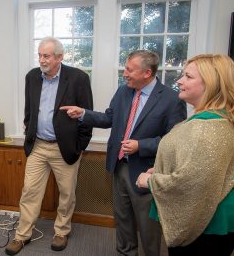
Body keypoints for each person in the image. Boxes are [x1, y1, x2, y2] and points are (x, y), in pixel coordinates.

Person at [61, 50, 187, 256]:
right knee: (123, 218)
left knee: (148, 224)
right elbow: (109, 118)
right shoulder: (123, 92)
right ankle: (126, 252)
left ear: (147, 73)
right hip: (119, 166)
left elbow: (175, 140)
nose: (125, 73)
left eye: (129, 69)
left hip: (147, 171)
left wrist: (141, 145)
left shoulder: (172, 99)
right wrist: (83, 113)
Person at [136, 54, 234, 256]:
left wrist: (150, 181)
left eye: (188, 77)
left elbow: (193, 182)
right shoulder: (222, 119)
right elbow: (204, 165)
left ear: (210, 84)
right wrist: (164, 168)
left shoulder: (205, 128)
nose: (180, 81)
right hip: (222, 210)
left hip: (207, 218)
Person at [5, 37, 93, 255]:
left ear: (60, 57)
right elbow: (29, 109)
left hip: (65, 148)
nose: (41, 60)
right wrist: (29, 127)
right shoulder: (32, 77)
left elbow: (87, 115)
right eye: (39, 55)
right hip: (38, 147)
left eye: (46, 56)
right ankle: (22, 235)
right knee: (30, 191)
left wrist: (80, 145)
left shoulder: (78, 78)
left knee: (66, 193)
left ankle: (61, 231)